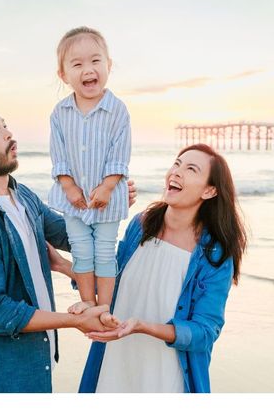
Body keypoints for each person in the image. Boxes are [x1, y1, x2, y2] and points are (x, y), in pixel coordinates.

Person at [0, 99, 136, 393]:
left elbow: (70, 234)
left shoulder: (22, 197)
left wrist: (107, 204)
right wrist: (74, 321)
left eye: (5, 125)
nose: (8, 133)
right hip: (4, 372)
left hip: (37, 358)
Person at [77, 144, 247, 393]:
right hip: (115, 363)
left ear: (210, 191)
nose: (176, 172)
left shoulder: (214, 253)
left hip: (167, 375)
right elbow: (109, 282)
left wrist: (143, 327)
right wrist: (65, 266)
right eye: (176, 164)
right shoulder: (140, 226)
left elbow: (204, 332)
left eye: (191, 169)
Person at [48, 27, 130, 324]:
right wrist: (68, 187)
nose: (88, 70)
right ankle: (86, 301)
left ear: (108, 65)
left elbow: (119, 155)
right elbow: (59, 158)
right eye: (77, 64)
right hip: (74, 201)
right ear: (63, 74)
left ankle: (104, 306)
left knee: (105, 252)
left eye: (95, 61)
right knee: (82, 250)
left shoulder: (117, 110)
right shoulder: (60, 113)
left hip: (108, 199)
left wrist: (108, 186)